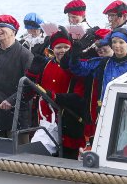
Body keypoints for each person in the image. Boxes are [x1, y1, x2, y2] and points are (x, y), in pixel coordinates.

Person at [25, 28, 86, 159]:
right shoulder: (45, 66)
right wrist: (30, 76)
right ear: (53, 49)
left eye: (66, 47)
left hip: (68, 123)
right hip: (45, 122)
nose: (62, 50)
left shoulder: (77, 69)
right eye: (58, 47)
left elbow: (80, 97)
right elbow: (28, 93)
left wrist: (56, 97)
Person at [69, 28, 127, 102]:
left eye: (121, 42)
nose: (117, 45)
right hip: (104, 109)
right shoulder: (104, 63)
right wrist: (75, 55)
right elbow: (79, 69)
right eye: (114, 42)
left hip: (124, 111)